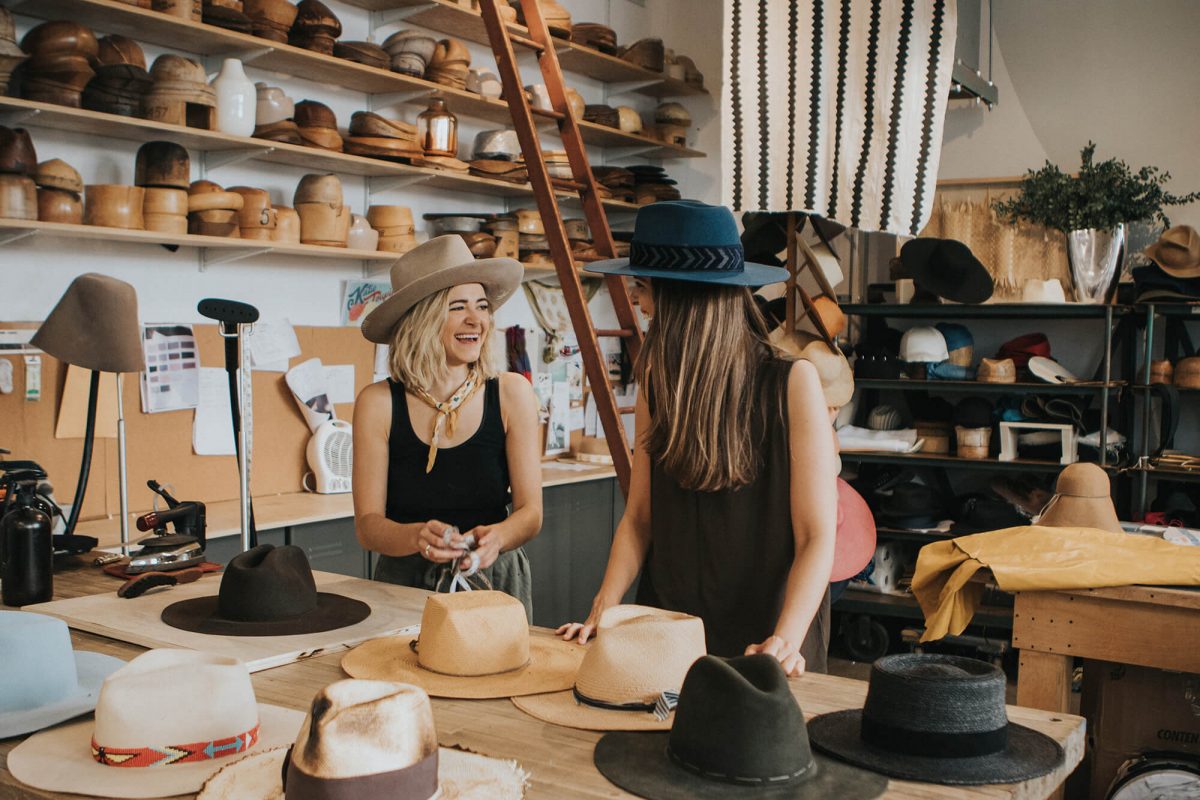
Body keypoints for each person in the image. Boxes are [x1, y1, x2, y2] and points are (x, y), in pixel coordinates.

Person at [558, 201, 838, 675]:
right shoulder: (657, 384)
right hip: (669, 629)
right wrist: (602, 608)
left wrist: (785, 640)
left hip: (767, 636)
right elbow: (640, 517)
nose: (641, 306)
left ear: (677, 297)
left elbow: (816, 536)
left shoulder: (792, 384)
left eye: (643, 289)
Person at [352, 235, 543, 618]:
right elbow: (369, 526)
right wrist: (416, 536)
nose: (477, 320)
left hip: (492, 582)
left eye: (482, 307)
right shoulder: (377, 403)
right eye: (458, 307)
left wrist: (497, 538)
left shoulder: (511, 393)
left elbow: (530, 512)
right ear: (423, 317)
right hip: (403, 586)